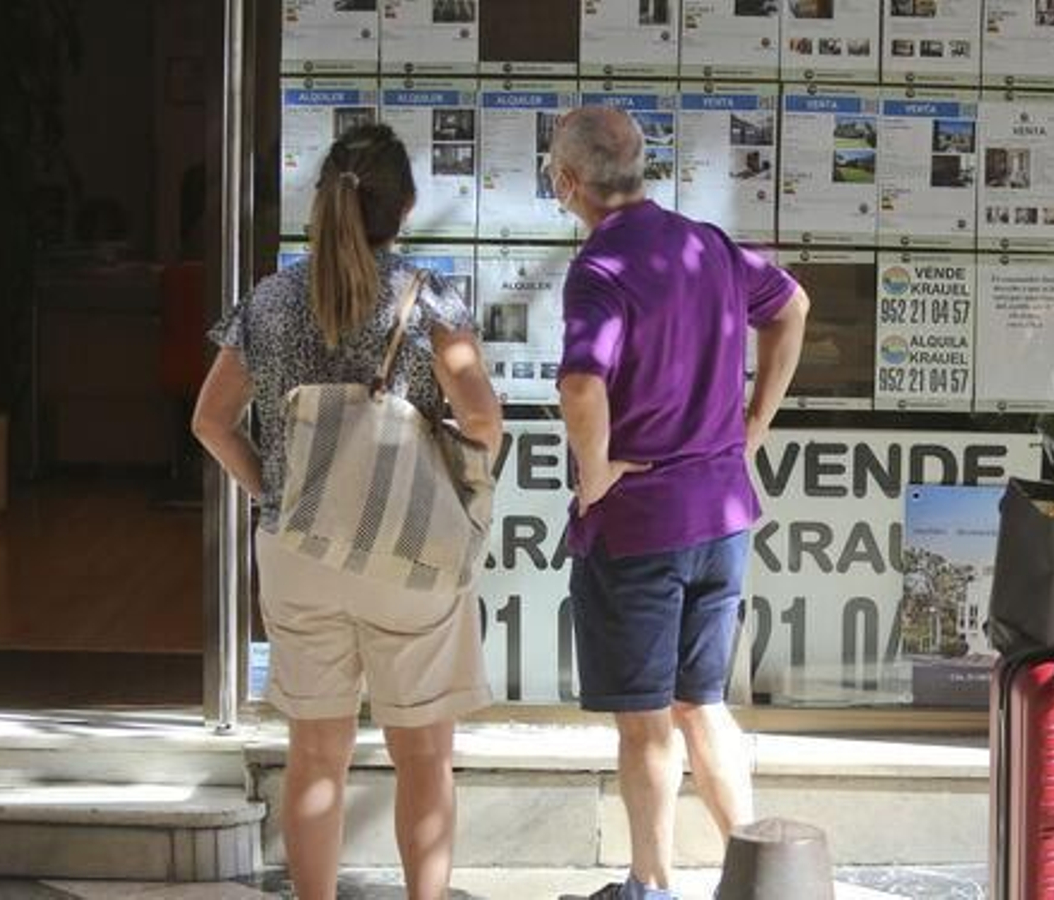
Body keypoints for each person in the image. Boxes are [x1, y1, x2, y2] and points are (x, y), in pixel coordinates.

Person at [191, 123, 503, 900]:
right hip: (409, 549)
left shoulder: (266, 301)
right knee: (424, 754)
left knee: (316, 756)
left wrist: (274, 489)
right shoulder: (429, 298)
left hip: (298, 551)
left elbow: (210, 421)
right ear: (402, 210)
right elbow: (485, 418)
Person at [548, 106, 810, 900]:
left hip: (639, 526)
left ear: (568, 184)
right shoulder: (707, 245)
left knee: (645, 721)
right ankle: (763, 877)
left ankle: (650, 885)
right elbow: (791, 305)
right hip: (722, 516)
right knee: (705, 704)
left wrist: (592, 474)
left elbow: (582, 382)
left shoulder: (600, 268)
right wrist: (756, 419)